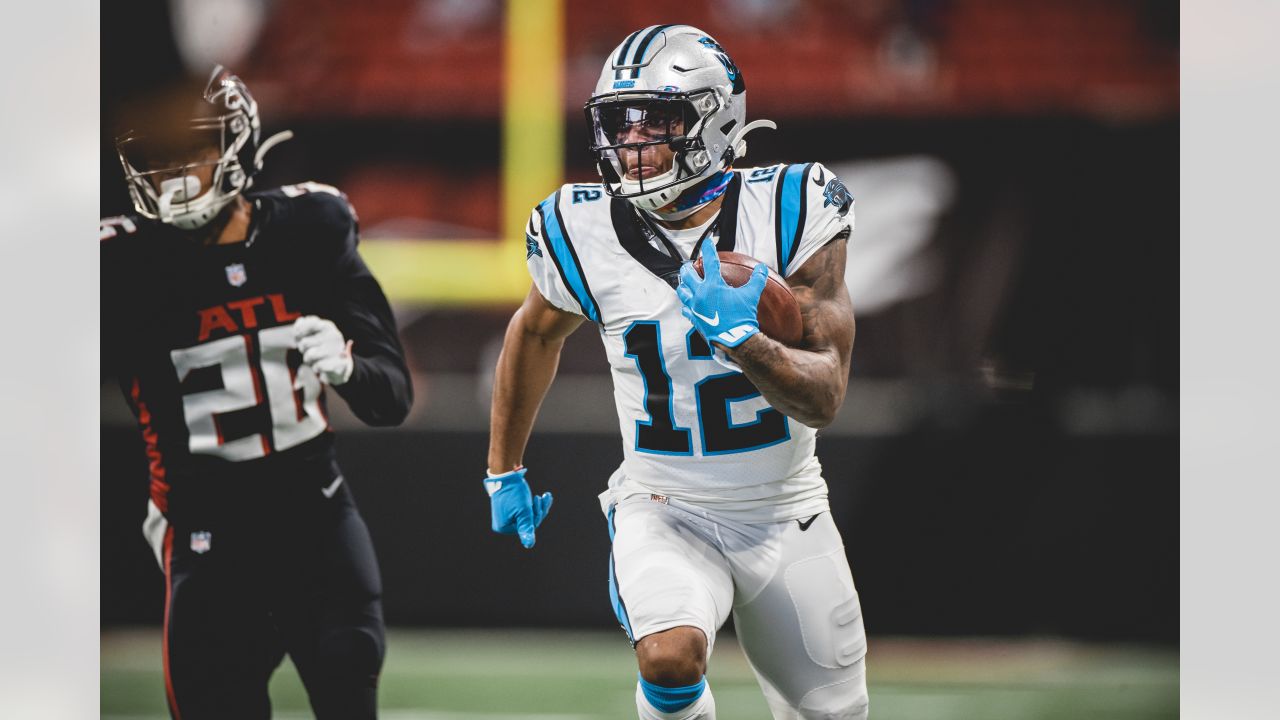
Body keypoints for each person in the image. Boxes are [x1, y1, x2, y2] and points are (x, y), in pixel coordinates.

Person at [485, 25, 867, 720]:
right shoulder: (580, 229)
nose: (631, 144)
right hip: (665, 506)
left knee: (832, 712)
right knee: (668, 655)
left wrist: (744, 341)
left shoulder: (790, 208)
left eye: (656, 122)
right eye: (618, 124)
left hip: (785, 509)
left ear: (716, 120)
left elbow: (825, 397)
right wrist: (502, 467)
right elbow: (534, 334)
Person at [101, 66, 413, 720]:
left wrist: (350, 369)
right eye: (155, 157)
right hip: (206, 537)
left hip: (318, 525)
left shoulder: (308, 229)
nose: (176, 173)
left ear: (235, 145)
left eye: (195, 148)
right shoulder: (119, 265)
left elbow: (390, 400)